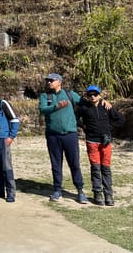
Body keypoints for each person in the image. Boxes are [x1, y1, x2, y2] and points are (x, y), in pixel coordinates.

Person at [38, 73, 89, 204]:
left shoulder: (70, 94)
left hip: (70, 134)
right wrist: (56, 106)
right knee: (56, 163)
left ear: (59, 82)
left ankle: (80, 190)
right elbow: (42, 110)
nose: (49, 82)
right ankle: (57, 190)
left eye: (52, 80)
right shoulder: (45, 96)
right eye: (47, 80)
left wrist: (101, 101)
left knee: (74, 163)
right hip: (53, 135)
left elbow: (86, 103)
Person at [76, 85, 125, 206]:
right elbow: (75, 118)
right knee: (96, 169)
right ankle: (97, 193)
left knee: (106, 169)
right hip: (92, 142)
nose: (92, 96)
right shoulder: (84, 108)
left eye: (95, 94)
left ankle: (108, 194)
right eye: (89, 95)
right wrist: (84, 127)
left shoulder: (106, 106)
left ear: (99, 95)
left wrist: (110, 129)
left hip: (105, 142)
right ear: (87, 96)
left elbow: (121, 119)